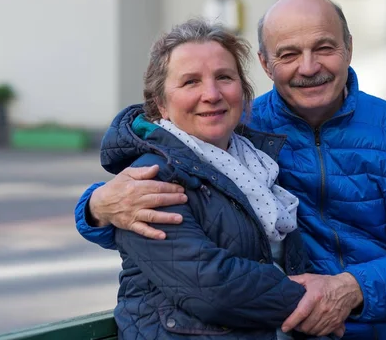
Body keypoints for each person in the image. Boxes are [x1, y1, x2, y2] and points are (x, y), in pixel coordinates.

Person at [76, 0, 386, 339]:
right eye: (288, 54)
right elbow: (157, 189)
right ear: (265, 64)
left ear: (349, 48)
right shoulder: (238, 125)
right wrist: (95, 206)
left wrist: (351, 288)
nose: (308, 67)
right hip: (291, 323)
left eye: (324, 48)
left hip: (380, 318)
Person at [94, 18, 341, 339]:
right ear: (161, 104)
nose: (211, 94)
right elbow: (210, 285)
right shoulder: (149, 177)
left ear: (243, 91)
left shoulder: (259, 163)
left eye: (224, 77)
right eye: (190, 82)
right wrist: (316, 304)